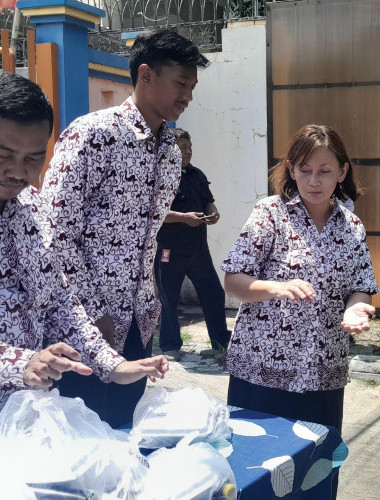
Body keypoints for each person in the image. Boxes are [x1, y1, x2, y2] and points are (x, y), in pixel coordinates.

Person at [41, 30, 209, 428]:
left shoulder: (170, 149)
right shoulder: (93, 135)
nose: (187, 96)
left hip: (137, 317)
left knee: (125, 429)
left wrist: (146, 300)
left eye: (192, 87)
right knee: (82, 436)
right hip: (81, 321)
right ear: (146, 75)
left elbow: (147, 236)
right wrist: (95, 312)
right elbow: (54, 233)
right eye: (181, 84)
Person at [221, 124, 377, 497]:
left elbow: (361, 288)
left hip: (323, 374)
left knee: (314, 470)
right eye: (305, 169)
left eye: (325, 171)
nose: (314, 180)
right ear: (291, 169)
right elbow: (233, 280)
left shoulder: (351, 225)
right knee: (255, 471)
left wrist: (357, 311)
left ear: (342, 172)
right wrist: (276, 287)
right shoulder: (270, 214)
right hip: (262, 374)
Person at [0, 73, 169, 408]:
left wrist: (113, 364)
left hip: (25, 411)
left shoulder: (32, 208)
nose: (18, 171)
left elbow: (61, 302)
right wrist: (19, 363)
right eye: (4, 154)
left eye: (33, 157)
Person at [155, 128, 230, 361]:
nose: (187, 151)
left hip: (198, 249)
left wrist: (213, 213)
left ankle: (220, 344)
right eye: (182, 147)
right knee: (168, 298)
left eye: (189, 147)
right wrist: (184, 218)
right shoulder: (161, 175)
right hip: (169, 249)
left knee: (214, 294)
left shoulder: (196, 174)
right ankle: (169, 346)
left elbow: (208, 201)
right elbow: (156, 212)